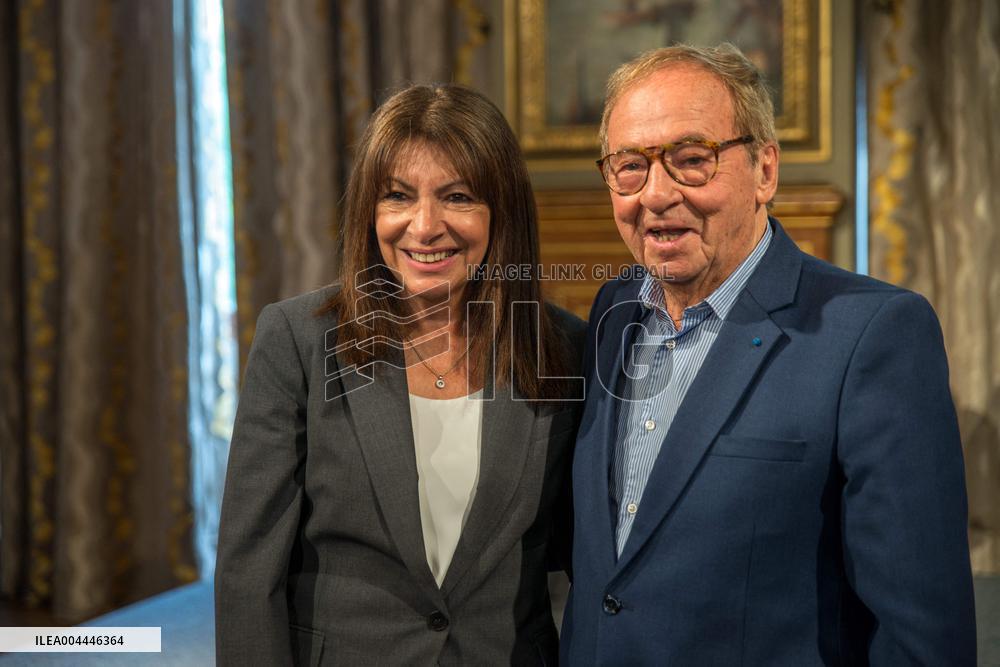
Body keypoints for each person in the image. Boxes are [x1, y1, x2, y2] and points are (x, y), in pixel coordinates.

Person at [561, 44, 976, 665]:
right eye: (629, 167)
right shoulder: (611, 315)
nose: (656, 194)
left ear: (764, 171)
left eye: (692, 159)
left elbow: (922, 635)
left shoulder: (874, 334)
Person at [215, 83, 585, 665]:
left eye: (458, 196)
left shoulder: (565, 347)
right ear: (370, 211)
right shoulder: (297, 341)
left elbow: (584, 556)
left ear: (502, 213)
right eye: (397, 196)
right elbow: (248, 572)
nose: (424, 226)